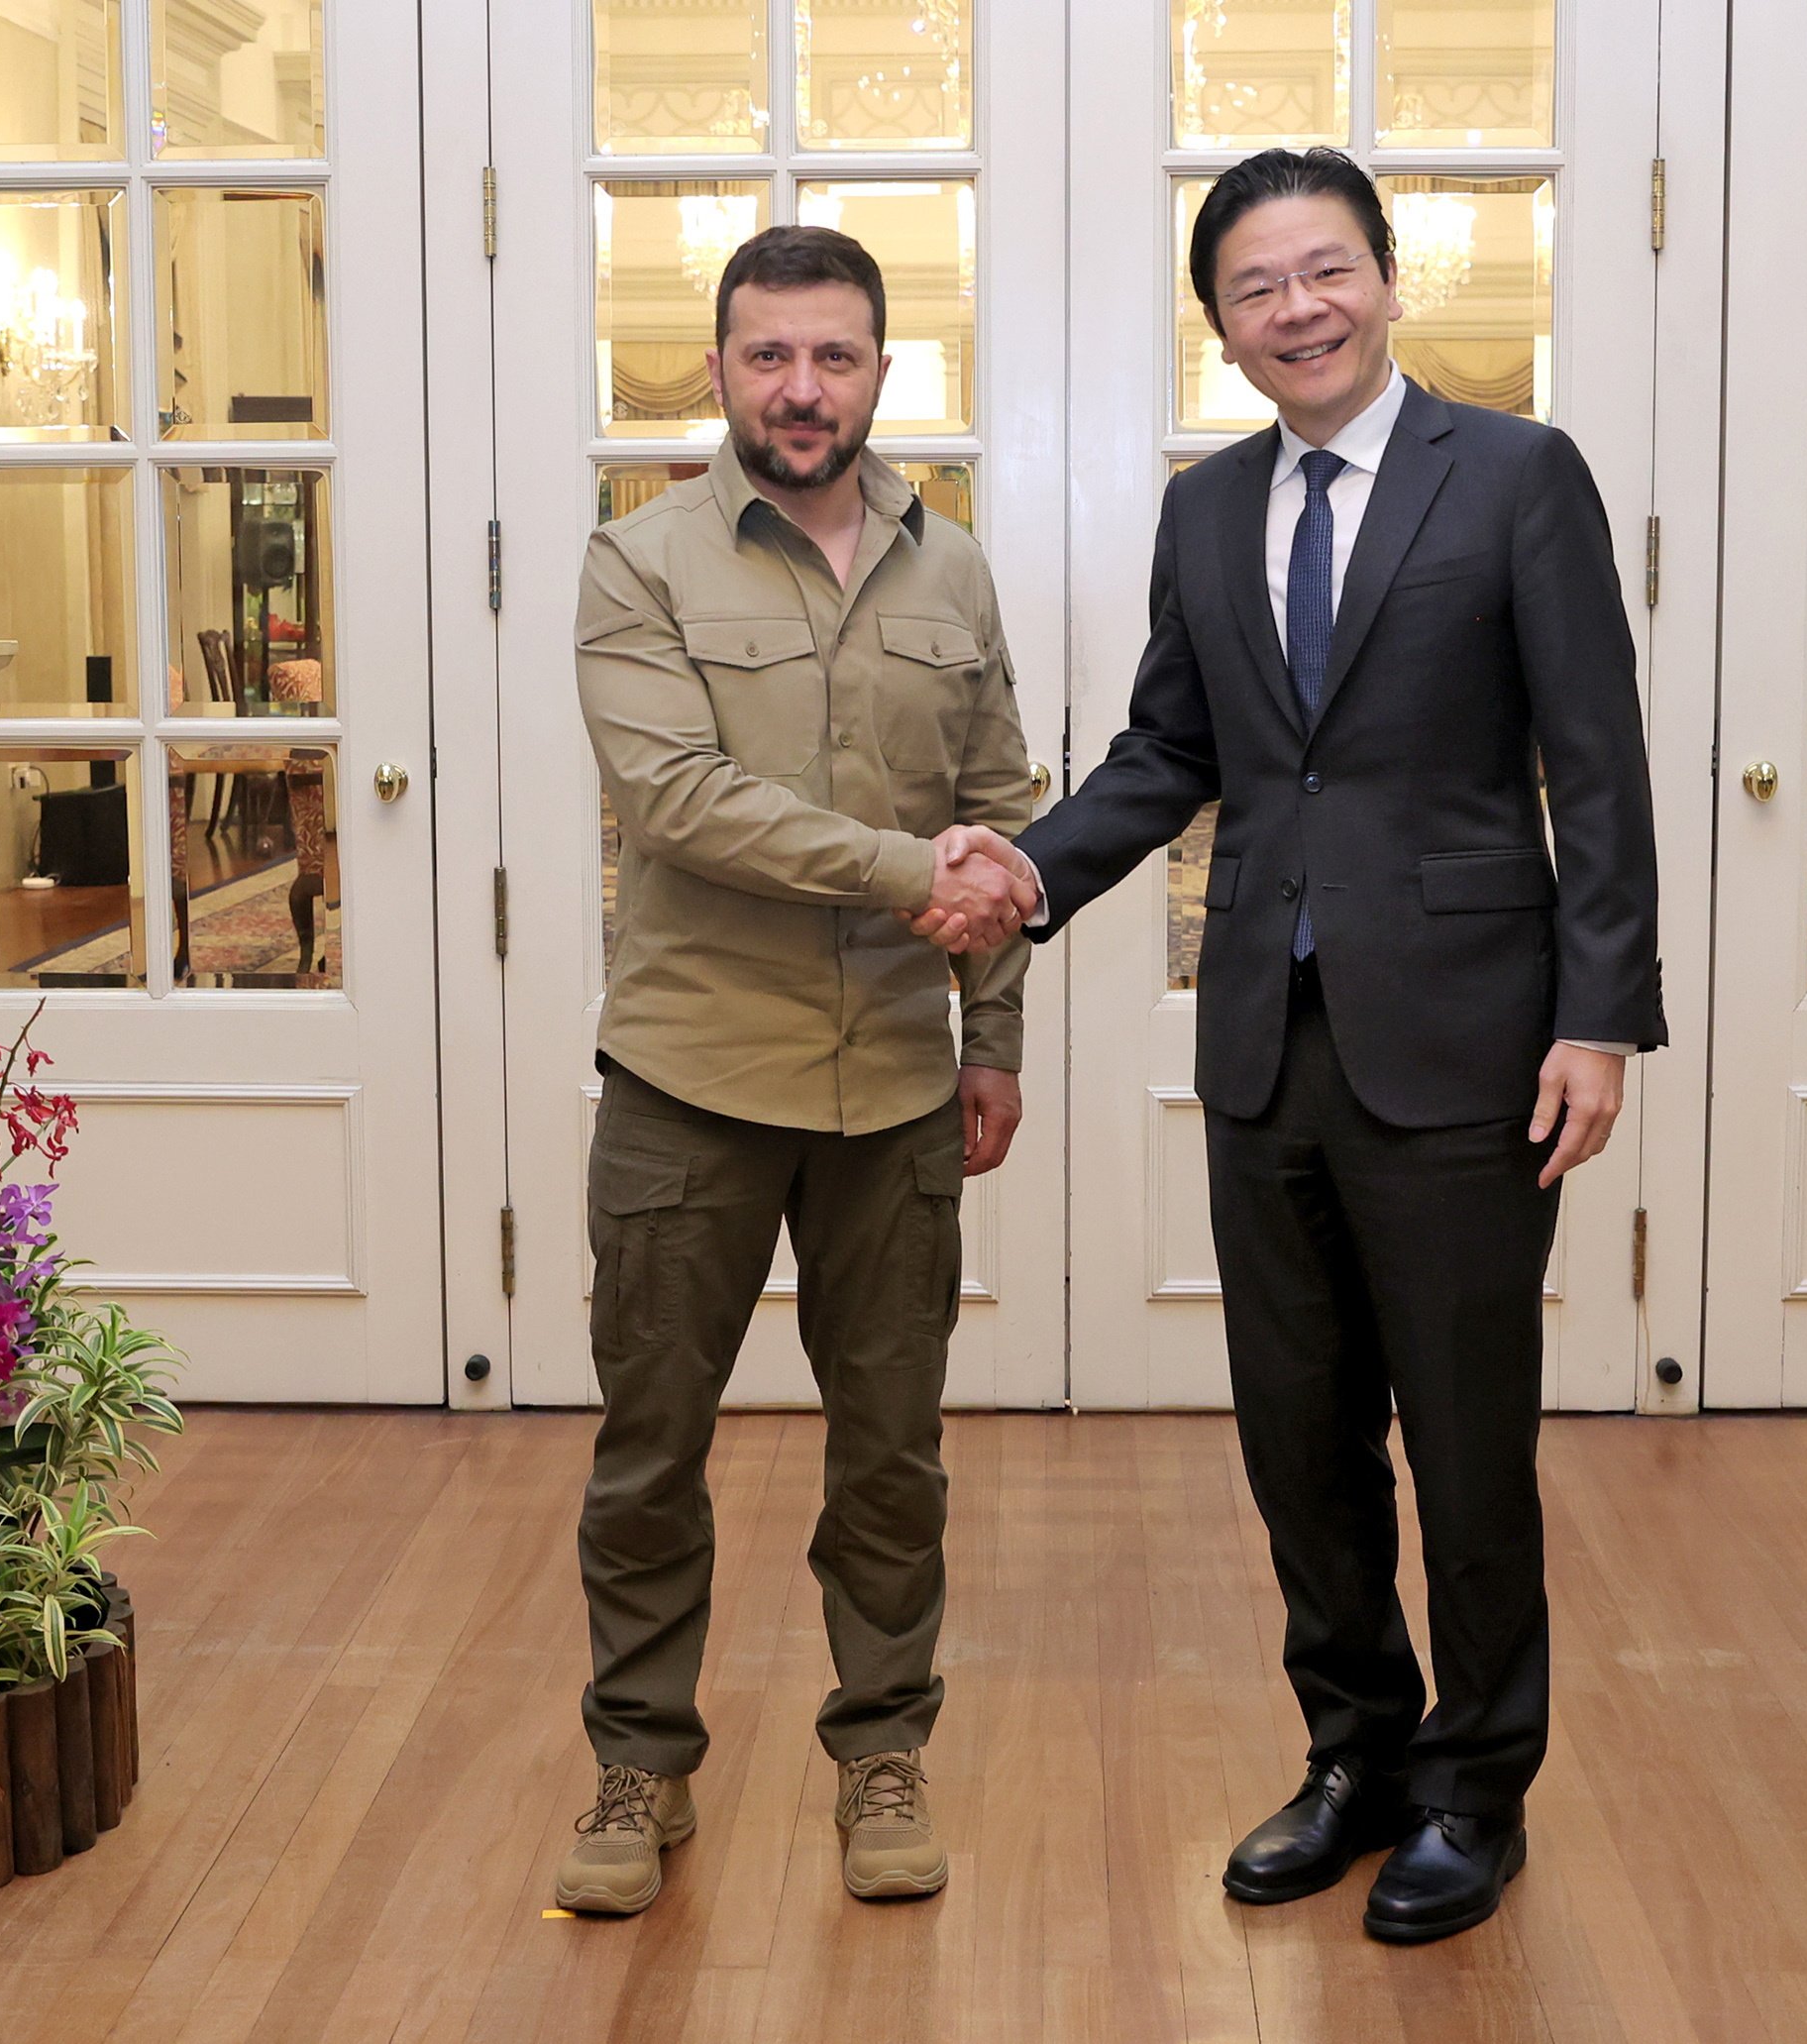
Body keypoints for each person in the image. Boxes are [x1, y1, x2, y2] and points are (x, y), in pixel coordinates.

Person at [931, 148, 1664, 1944]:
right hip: (1265, 1033)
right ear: (1222, 326)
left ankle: (1474, 1791)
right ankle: (1355, 1753)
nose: (1297, 311)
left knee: (1468, 1438)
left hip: (1472, 1041)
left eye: (1324, 272)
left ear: (1390, 279)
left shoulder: (1513, 474)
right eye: (1255, 291)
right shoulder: (1204, 510)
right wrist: (1030, 870)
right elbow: (1169, 750)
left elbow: (1599, 757)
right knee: (1298, 1432)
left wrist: (1598, 1015)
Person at [555, 224, 1039, 1918]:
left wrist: (996, 1042)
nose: (801, 387)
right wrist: (916, 881)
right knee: (648, 1445)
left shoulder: (954, 571)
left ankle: (879, 1752)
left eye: (833, 356)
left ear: (881, 374)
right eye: (768, 355)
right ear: (718, 372)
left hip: (898, 1082)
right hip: (689, 1078)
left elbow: (1005, 811)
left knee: (891, 1451)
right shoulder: (638, 562)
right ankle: (638, 1765)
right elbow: (676, 798)